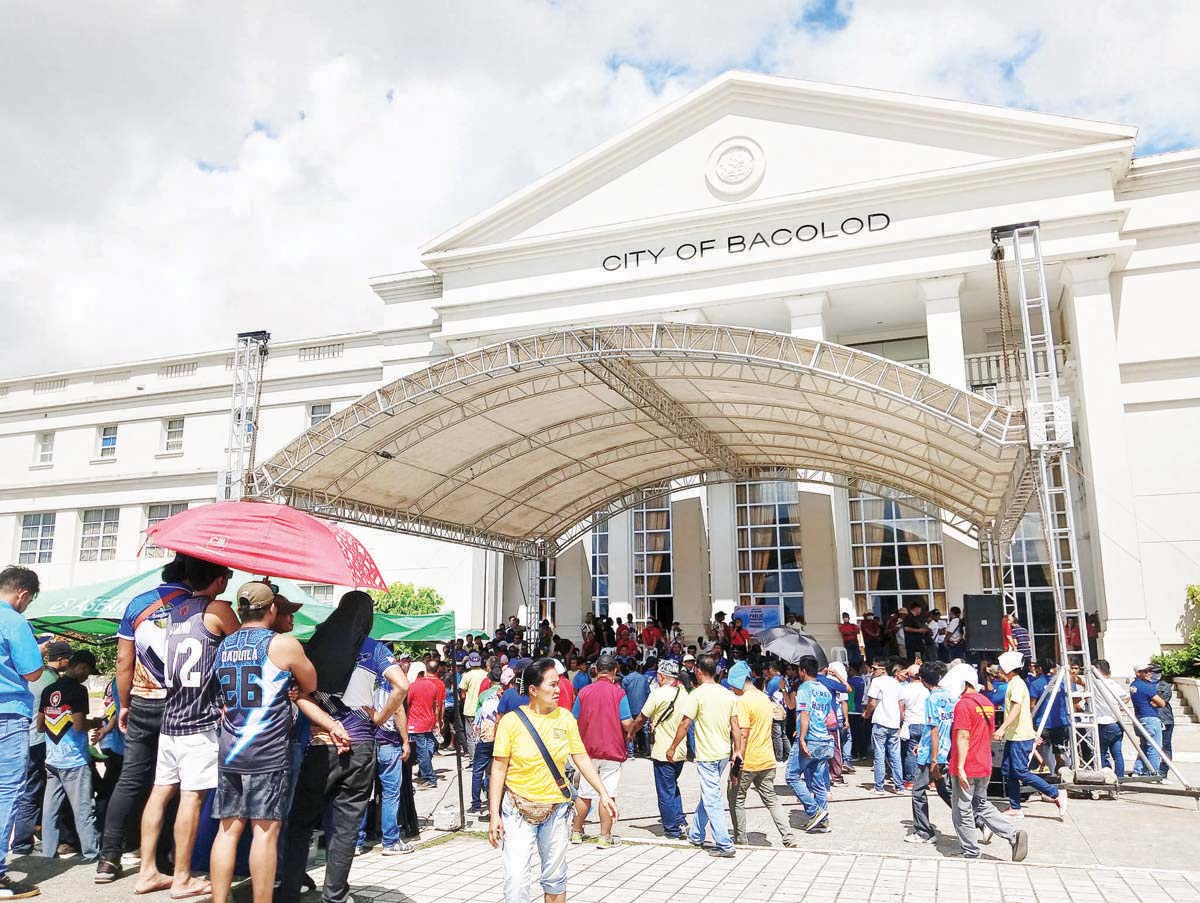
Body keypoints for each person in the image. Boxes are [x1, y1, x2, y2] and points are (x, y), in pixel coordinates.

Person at [209, 584, 352, 903]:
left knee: (227, 831)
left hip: (230, 749)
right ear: (271, 609)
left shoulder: (225, 645)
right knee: (265, 832)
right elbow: (310, 683)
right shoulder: (283, 645)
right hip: (267, 751)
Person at [278, 591, 409, 903]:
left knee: (300, 822)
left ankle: (288, 891)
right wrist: (380, 717)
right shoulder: (372, 648)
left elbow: (298, 693)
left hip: (320, 745)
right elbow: (402, 685)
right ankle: (335, 895)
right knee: (346, 827)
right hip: (361, 744)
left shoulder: (313, 645)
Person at [97, 555, 210, 884]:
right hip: (181, 704)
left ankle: (108, 858)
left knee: (131, 779)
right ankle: (165, 858)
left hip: (143, 702)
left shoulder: (138, 604)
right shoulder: (197, 606)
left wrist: (124, 704)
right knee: (174, 784)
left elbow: (122, 661)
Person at [134, 556, 238, 898]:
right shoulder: (218, 610)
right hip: (200, 721)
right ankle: (181, 878)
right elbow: (244, 643)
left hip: (171, 717)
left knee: (160, 792)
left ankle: (147, 871)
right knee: (191, 799)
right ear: (220, 580)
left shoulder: (174, 612)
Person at [488, 658, 617, 903]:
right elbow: (498, 769)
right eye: (552, 685)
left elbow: (580, 756)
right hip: (517, 810)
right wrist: (494, 814)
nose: (558, 690)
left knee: (556, 877)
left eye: (558, 684)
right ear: (533, 690)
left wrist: (603, 792)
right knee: (516, 881)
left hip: (556, 810)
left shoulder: (565, 719)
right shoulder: (510, 722)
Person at [948, 666, 1028, 861]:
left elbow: (963, 736)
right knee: (981, 804)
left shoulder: (963, 705)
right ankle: (1012, 833)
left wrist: (959, 766)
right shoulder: (986, 703)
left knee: (962, 809)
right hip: (984, 762)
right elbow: (988, 732)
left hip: (967, 764)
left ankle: (970, 850)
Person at [0, 567, 45, 899]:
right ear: (23, 594)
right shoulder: (14, 621)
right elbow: (31, 672)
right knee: (5, 792)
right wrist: (39, 654)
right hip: (7, 714)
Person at [666, 654, 736, 858]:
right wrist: (737, 751)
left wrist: (672, 747)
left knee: (712, 796)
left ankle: (724, 843)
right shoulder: (728, 694)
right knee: (709, 792)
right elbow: (735, 725)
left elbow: (685, 723)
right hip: (723, 751)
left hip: (706, 754)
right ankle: (696, 833)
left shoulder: (696, 695)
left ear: (698, 671)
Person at [37, 648, 102, 862]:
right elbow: (78, 725)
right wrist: (96, 723)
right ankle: (91, 854)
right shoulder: (79, 691)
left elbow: (39, 726)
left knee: (50, 811)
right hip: (74, 760)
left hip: (52, 759)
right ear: (81, 667)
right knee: (83, 809)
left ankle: (48, 855)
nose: (87, 676)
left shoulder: (49, 689)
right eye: (88, 672)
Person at [726, 661, 796, 847]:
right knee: (771, 800)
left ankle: (741, 839)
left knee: (736, 799)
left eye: (733, 686)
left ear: (739, 682)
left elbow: (743, 733)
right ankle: (788, 836)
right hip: (767, 760)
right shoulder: (764, 698)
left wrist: (737, 760)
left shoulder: (742, 702)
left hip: (747, 761)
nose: (733, 690)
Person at [11, 640, 71, 858]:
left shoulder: (33, 676)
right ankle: (22, 844)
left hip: (21, 738)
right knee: (33, 792)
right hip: (38, 741)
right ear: (63, 660)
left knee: (27, 790)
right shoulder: (52, 680)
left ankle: (32, 835)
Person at [570, 653, 632, 848]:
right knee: (608, 793)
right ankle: (604, 836)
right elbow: (626, 722)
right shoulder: (619, 693)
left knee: (584, 793)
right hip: (612, 750)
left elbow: (574, 719)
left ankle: (576, 832)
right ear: (615, 671)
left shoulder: (584, 692)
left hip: (587, 751)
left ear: (595, 670)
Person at [994, 651, 1065, 819]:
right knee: (1009, 770)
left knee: (1019, 770)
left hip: (1019, 736)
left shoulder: (1016, 684)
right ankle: (1015, 806)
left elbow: (1017, 708)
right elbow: (1025, 711)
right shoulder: (1015, 683)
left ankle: (1055, 793)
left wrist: (1002, 728)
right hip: (1016, 735)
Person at [628, 660, 694, 840]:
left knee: (665, 790)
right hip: (680, 750)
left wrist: (631, 733)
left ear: (661, 676)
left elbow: (642, 718)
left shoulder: (658, 694)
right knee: (673, 786)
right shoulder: (684, 694)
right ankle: (680, 819)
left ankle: (672, 829)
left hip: (663, 750)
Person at [785, 656, 834, 833]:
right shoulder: (825, 690)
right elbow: (823, 716)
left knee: (791, 776)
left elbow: (805, 714)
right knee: (819, 783)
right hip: (824, 739)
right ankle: (823, 821)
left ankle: (814, 811)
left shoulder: (804, 688)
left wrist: (802, 737)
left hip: (810, 740)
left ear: (803, 671)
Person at [906, 661, 953, 844]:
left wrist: (933, 758)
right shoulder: (948, 696)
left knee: (918, 792)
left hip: (932, 755)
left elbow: (934, 729)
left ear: (924, 680)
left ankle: (924, 832)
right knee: (944, 790)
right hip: (944, 749)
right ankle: (975, 820)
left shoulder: (931, 699)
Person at [863, 659, 904, 794]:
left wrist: (867, 714)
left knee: (879, 754)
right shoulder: (896, 683)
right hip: (894, 722)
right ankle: (899, 786)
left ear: (883, 669)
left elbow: (872, 702)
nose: (872, 671)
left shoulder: (877, 682)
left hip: (881, 722)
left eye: (875, 669)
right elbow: (901, 704)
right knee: (895, 755)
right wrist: (900, 721)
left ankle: (879, 787)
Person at [470, 667, 506, 815]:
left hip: (485, 737)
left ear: (489, 680)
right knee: (497, 770)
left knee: (478, 770)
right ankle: (499, 802)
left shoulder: (484, 695)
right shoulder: (506, 694)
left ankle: (476, 804)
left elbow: (478, 715)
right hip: (501, 737)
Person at [407, 661, 444, 789]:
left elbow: (406, 703)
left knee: (421, 752)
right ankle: (426, 773)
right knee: (427, 750)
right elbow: (436, 706)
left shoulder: (412, 686)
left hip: (416, 724)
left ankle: (429, 777)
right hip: (429, 721)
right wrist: (437, 721)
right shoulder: (432, 685)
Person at [1092, 659, 1130, 777]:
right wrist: (1117, 706)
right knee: (1117, 754)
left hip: (1103, 723)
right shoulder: (1114, 684)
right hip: (1117, 723)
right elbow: (1126, 697)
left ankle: (1107, 776)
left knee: (1102, 753)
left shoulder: (1096, 684)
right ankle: (1120, 776)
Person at [1130, 663, 1166, 776]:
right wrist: (1155, 702)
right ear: (1138, 673)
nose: (1149, 673)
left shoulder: (1134, 685)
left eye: (1150, 671)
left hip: (1139, 718)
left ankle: (1138, 770)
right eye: (1146, 671)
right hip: (1150, 718)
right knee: (1155, 747)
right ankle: (1153, 773)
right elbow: (1162, 703)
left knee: (1144, 746)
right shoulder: (1146, 686)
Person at [898, 667, 928, 790]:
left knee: (911, 753)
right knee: (926, 751)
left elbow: (901, 707)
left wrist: (902, 719)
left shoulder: (905, 689)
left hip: (911, 722)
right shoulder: (927, 689)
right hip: (926, 723)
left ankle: (910, 780)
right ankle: (928, 780)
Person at [620, 662, 651, 757]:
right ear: (637, 667)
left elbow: (623, 695)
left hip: (630, 707)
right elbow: (648, 692)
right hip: (643, 708)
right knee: (645, 730)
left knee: (630, 728)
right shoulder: (643, 678)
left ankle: (631, 751)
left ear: (627, 668)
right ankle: (648, 750)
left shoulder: (625, 679)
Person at [1152, 666, 1175, 777]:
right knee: (1150, 745)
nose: (1157, 674)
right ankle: (1151, 769)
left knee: (1165, 746)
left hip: (1165, 720)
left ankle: (1163, 771)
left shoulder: (1165, 686)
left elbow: (1162, 702)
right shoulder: (1147, 685)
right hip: (1153, 718)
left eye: (1158, 672)